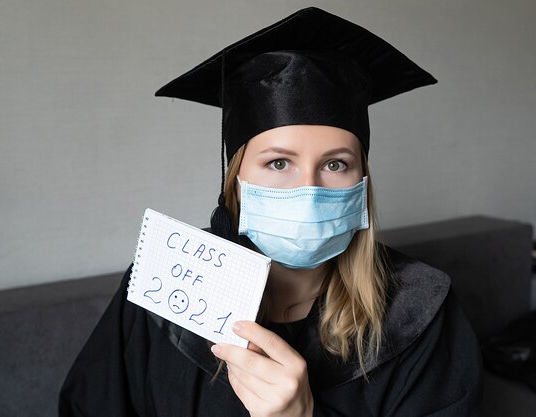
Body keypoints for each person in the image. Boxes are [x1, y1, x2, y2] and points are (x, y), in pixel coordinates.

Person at [59, 7, 481, 417]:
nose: (310, 190)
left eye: (336, 164)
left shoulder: (420, 309)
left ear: (362, 183)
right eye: (278, 163)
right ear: (235, 180)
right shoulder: (161, 288)